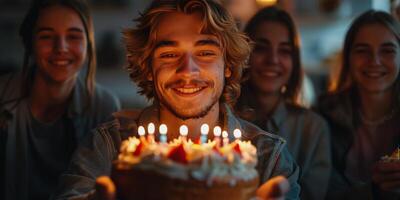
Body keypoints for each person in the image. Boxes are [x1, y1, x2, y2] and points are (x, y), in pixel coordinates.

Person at [53, 0, 301, 199]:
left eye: (205, 53)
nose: (187, 71)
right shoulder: (110, 145)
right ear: (148, 67)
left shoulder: (268, 157)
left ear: (228, 65)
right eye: (169, 54)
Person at [0, 0, 121, 199]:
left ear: (88, 44)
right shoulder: (3, 95)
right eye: (46, 36)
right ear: (30, 43)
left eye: (73, 36)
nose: (61, 47)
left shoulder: (105, 106)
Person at [235, 6, 331, 200]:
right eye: (261, 48)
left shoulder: (312, 128)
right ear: (243, 54)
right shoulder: (225, 119)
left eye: (285, 50)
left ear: (294, 61)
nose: (273, 59)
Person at [316, 10, 400, 199]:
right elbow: (321, 193)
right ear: (348, 58)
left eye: (387, 50)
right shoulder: (324, 117)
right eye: (362, 50)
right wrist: (375, 191)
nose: (375, 61)